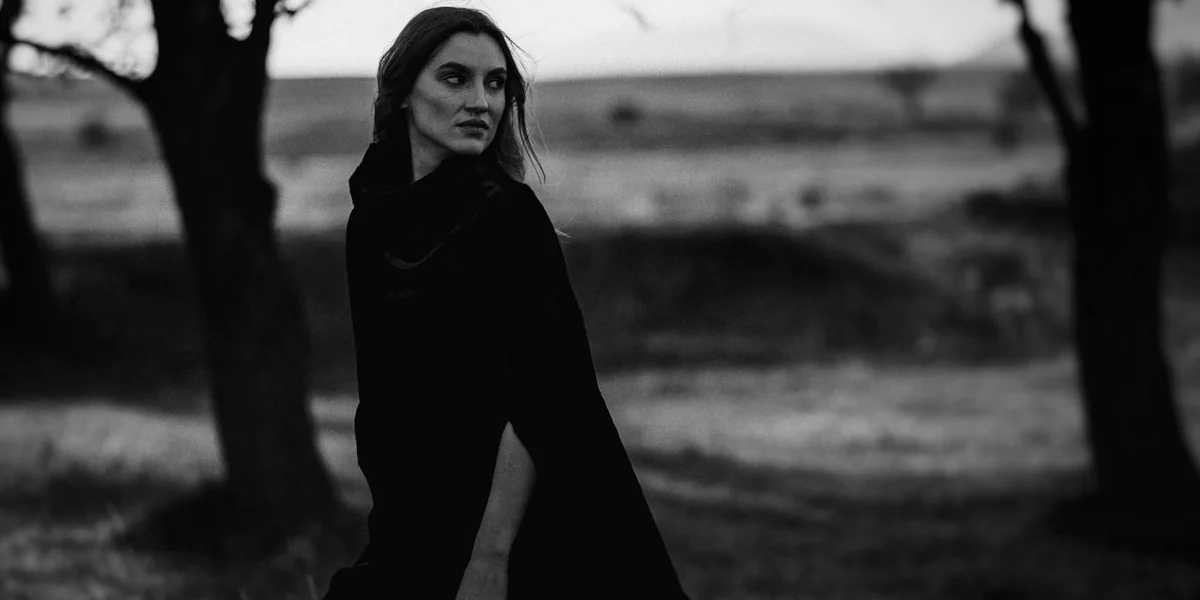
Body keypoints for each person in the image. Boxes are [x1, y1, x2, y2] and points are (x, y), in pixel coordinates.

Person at [322, 7, 691, 599]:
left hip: (512, 524)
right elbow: (384, 392)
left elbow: (545, 397)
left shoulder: (506, 217)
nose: (481, 101)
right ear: (401, 93)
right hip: (410, 522)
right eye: (454, 78)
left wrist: (490, 558)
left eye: (496, 83)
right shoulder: (371, 221)